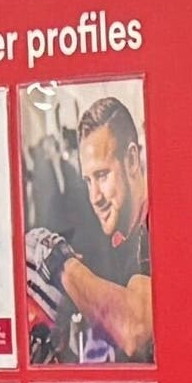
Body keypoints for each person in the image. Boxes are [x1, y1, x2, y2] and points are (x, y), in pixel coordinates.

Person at [46, 96, 153, 363]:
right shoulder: (123, 234)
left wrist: (60, 263)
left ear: (131, 161)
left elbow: (135, 332)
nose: (95, 196)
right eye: (87, 180)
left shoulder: (155, 227)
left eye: (103, 176)